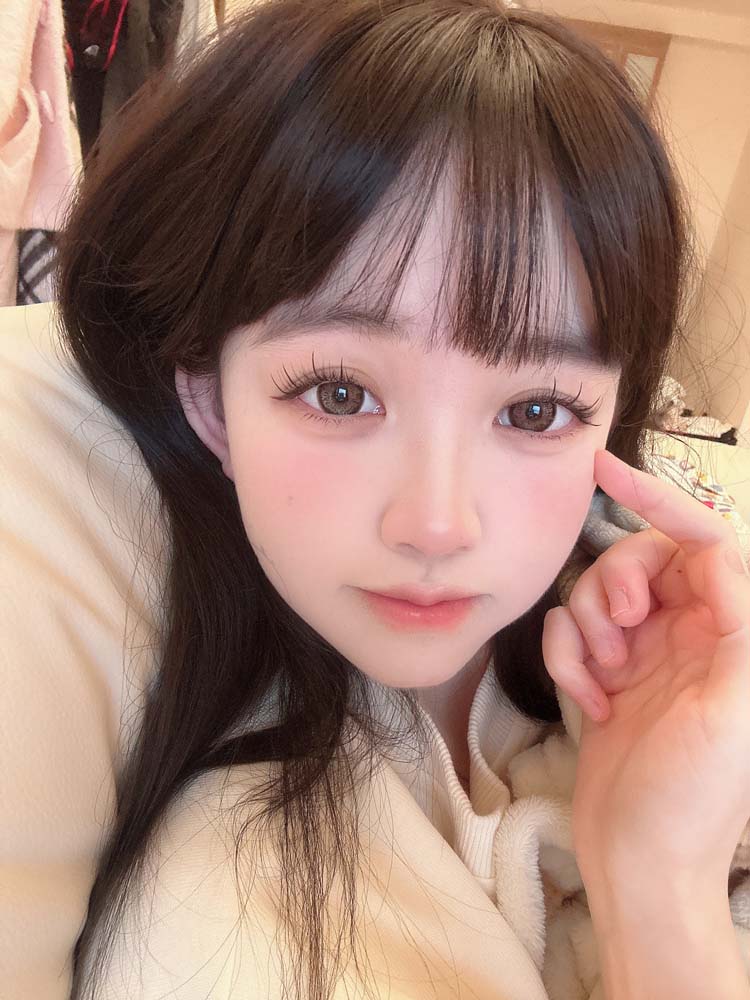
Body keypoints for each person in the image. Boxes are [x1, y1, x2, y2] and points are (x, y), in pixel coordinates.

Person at [45, 0, 750, 997]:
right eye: (340, 393)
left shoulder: (691, 667)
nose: (437, 525)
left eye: (538, 409)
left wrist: (662, 873)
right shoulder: (210, 920)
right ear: (208, 400)